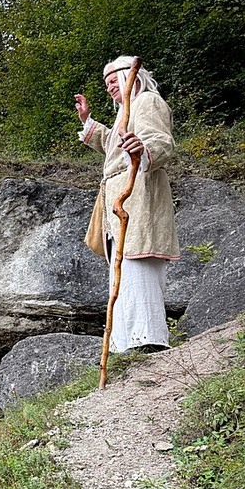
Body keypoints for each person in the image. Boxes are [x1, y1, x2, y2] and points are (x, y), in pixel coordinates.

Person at [74, 55, 180, 354]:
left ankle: (147, 339)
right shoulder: (125, 112)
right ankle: (125, 343)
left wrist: (144, 149)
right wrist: (88, 123)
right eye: (105, 84)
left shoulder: (147, 101)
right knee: (123, 268)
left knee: (138, 262)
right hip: (119, 198)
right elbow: (114, 147)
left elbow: (161, 141)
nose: (108, 88)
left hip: (140, 193)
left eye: (112, 81)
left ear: (128, 76)